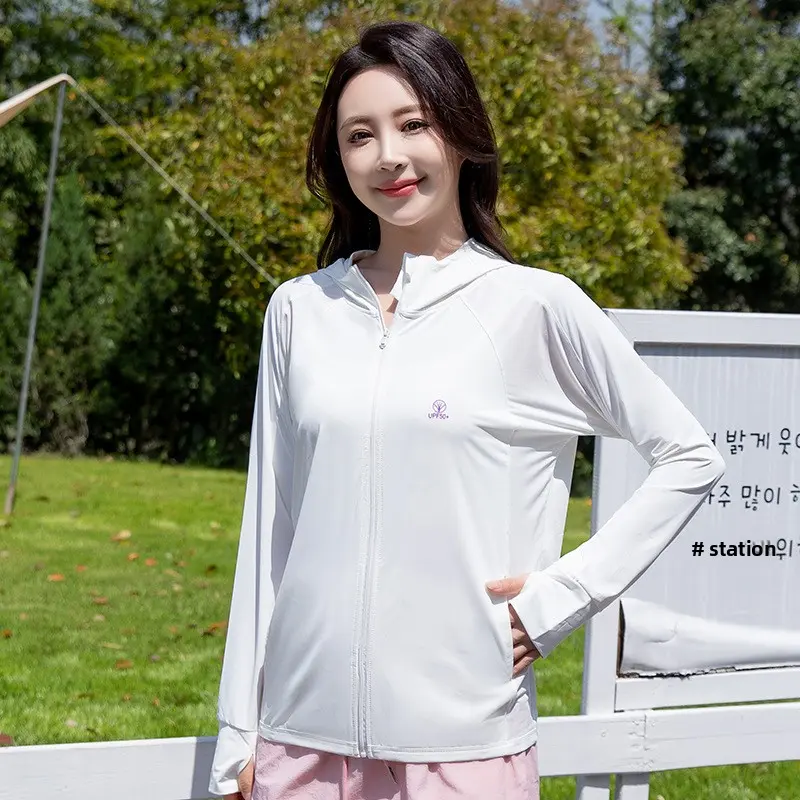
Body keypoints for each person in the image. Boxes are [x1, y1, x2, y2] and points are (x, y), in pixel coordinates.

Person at [208, 19, 726, 800]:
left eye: (413, 123)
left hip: (465, 749)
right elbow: (269, 531)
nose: (388, 155)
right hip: (300, 747)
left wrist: (562, 598)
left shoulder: (532, 305)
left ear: (459, 131)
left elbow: (690, 457)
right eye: (359, 135)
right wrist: (238, 737)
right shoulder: (299, 311)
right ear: (337, 158)